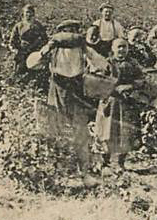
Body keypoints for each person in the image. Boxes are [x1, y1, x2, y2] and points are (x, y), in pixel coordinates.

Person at [32, 20, 108, 184]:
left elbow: (100, 62)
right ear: (62, 31)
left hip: (76, 88)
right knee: (56, 127)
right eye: (68, 30)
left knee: (80, 129)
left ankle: (84, 171)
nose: (71, 34)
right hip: (58, 88)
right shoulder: (54, 47)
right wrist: (44, 51)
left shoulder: (82, 47)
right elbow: (33, 63)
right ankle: (59, 170)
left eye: (74, 30)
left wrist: (100, 69)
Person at [94, 38, 144, 171]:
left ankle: (120, 163)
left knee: (125, 132)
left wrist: (129, 86)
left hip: (127, 103)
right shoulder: (107, 63)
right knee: (106, 131)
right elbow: (98, 80)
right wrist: (112, 88)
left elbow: (141, 80)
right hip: (109, 102)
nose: (121, 50)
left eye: (124, 47)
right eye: (119, 47)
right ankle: (103, 161)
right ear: (113, 48)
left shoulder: (133, 63)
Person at [7, 4, 47, 76]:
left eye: (31, 13)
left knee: (36, 72)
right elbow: (12, 42)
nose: (28, 15)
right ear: (23, 14)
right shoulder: (18, 26)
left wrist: (39, 49)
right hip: (22, 52)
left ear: (33, 14)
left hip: (35, 53)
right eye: (27, 12)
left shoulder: (38, 26)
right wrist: (15, 50)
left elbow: (45, 40)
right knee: (19, 72)